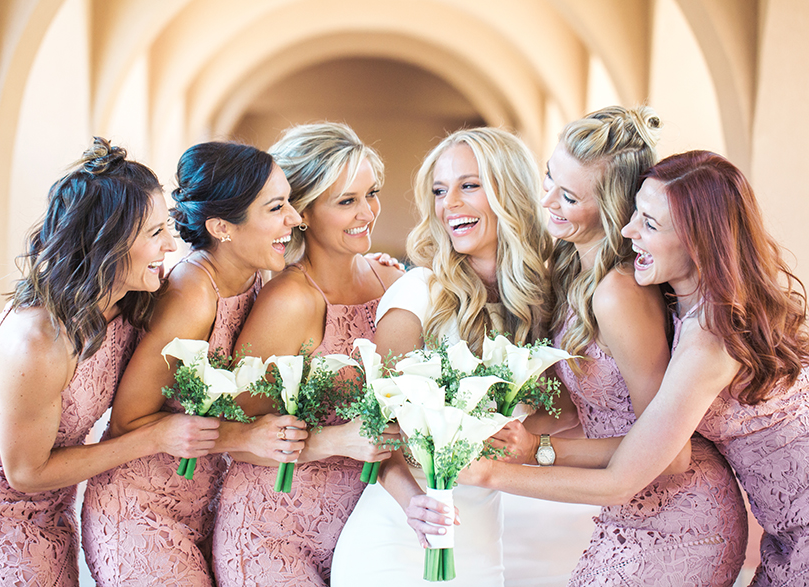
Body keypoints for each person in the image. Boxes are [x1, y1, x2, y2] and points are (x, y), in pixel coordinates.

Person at [444, 149, 808, 586]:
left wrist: (493, 472)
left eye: (650, 224)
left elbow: (623, 480)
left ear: (699, 241)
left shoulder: (709, 338)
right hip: (782, 533)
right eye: (635, 212)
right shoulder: (679, 302)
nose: (629, 229)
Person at [0, 138, 214, 586]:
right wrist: (157, 437)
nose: (170, 246)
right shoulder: (39, 342)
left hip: (55, 494)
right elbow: (24, 472)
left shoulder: (129, 302)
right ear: (108, 240)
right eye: (154, 233)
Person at [331, 127, 553, 587]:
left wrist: (528, 443)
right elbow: (379, 427)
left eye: (469, 185)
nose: (449, 203)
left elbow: (570, 413)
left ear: (509, 191)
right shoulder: (419, 293)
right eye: (439, 190)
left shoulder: (543, 305)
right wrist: (414, 503)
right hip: (398, 534)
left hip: (482, 545)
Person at [81, 141, 308, 587]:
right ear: (223, 227)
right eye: (277, 207)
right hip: (141, 509)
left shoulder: (258, 275)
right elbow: (130, 419)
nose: (295, 218)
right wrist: (245, 435)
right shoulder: (192, 294)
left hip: (204, 504)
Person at [211, 122, 403, 587]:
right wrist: (332, 442)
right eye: (346, 201)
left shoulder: (394, 283)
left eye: (371, 193)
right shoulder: (289, 300)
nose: (368, 212)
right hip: (274, 533)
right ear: (303, 212)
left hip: (363, 530)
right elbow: (237, 434)